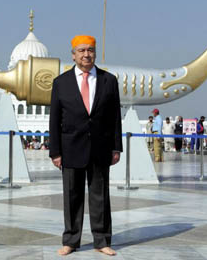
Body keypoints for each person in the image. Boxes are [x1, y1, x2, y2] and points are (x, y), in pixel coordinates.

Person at [49, 35, 122, 256]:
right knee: (72, 196)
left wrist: (116, 147)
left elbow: (115, 117)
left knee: (100, 196)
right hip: (71, 148)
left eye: (90, 50)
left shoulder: (108, 80)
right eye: (81, 50)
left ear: (95, 53)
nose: (86, 54)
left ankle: (102, 240)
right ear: (73, 55)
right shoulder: (61, 83)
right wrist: (55, 151)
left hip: (100, 148)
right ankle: (71, 240)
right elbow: (54, 119)